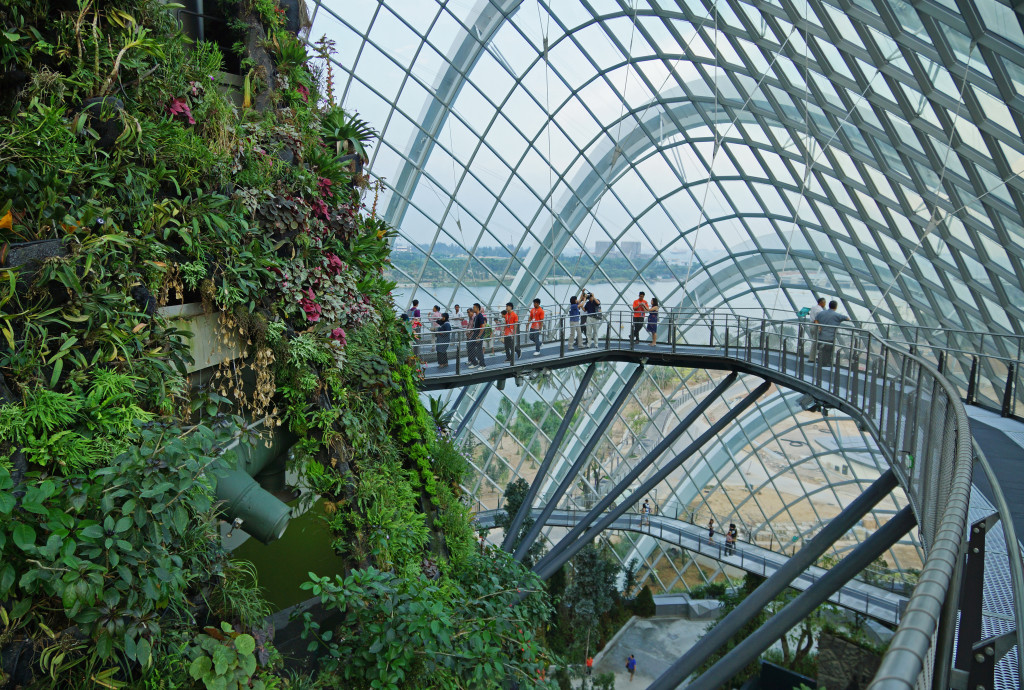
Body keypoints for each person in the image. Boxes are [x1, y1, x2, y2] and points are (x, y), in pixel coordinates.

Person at [814, 300, 850, 365]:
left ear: (829, 305)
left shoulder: (822, 313)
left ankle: (820, 362)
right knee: (828, 351)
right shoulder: (837, 315)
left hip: (821, 336)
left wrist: (819, 326)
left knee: (821, 351)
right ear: (836, 307)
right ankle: (826, 363)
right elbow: (847, 318)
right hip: (830, 337)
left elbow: (816, 320)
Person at [807, 297, 826, 362]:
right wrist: (820, 327)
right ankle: (812, 358)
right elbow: (817, 319)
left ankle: (815, 357)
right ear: (822, 302)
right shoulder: (820, 310)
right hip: (816, 326)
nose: (825, 304)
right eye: (824, 302)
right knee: (815, 343)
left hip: (811, 325)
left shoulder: (813, 307)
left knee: (815, 341)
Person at [470, 303, 487, 369]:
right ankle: (475, 362)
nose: (473, 308)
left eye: (474, 307)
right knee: (470, 346)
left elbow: (482, 327)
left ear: (477, 308)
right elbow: (474, 327)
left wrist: (479, 336)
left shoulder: (480, 316)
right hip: (475, 333)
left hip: (479, 334)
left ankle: (483, 365)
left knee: (479, 349)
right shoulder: (475, 316)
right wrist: (470, 333)